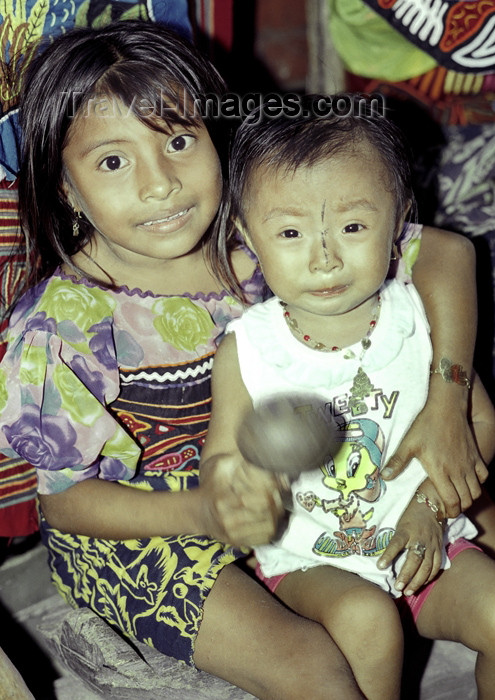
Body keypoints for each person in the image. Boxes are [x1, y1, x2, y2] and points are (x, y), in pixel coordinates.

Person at [0, 19, 487, 699]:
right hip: (143, 537)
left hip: (288, 490)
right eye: (113, 161)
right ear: (65, 187)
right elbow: (65, 506)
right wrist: (203, 513)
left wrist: (446, 401)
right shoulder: (67, 324)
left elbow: (442, 252)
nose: (161, 183)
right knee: (312, 667)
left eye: (177, 141)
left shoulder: (259, 235)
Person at [204, 93, 495, 700]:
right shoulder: (249, 349)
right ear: (246, 235)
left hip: (426, 533)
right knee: (369, 623)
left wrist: (433, 510)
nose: (325, 255)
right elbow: (221, 459)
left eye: (354, 226)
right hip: (312, 559)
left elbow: (480, 423)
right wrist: (244, 483)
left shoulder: (420, 320)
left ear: (399, 220)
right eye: (289, 231)